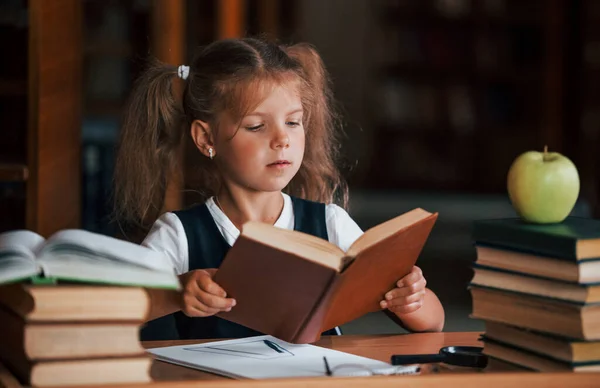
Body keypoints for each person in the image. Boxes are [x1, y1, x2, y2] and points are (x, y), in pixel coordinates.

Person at [113, 37, 445, 340]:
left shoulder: (331, 224)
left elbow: (434, 323)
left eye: (293, 122)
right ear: (206, 138)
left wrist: (411, 298)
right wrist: (176, 293)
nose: (282, 139)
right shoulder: (179, 235)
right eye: (256, 126)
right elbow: (112, 314)